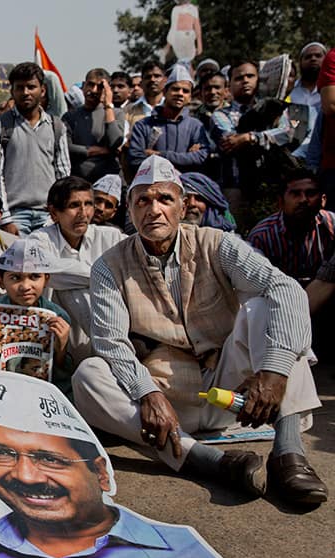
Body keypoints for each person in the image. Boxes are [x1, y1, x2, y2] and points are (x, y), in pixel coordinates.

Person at [73, 155, 327, 506]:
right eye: (142, 200)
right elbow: (111, 341)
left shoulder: (216, 243)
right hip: (167, 404)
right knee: (89, 374)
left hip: (235, 391)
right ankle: (204, 459)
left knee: (270, 309)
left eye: (164, 199)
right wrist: (147, 393)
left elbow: (285, 289)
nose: (154, 210)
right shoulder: (109, 266)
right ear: (129, 210)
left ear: (182, 205)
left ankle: (288, 455)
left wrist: (273, 374)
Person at [0, 373, 239, 558]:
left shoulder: (177, 550)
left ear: (101, 473)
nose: (25, 476)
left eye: (50, 459)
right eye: (0, 453)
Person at [26, 176, 125, 364]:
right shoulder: (38, 240)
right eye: (74, 205)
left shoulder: (110, 237)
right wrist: (103, 275)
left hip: (106, 324)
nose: (83, 213)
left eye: (88, 204)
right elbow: (46, 271)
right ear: (54, 213)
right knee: (72, 289)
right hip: (55, 334)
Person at [0, 62, 71, 235]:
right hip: (15, 216)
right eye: (20, 87)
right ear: (12, 91)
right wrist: (6, 219)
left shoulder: (57, 127)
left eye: (31, 87)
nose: (26, 93)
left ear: (43, 90)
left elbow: (63, 174)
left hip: (49, 216)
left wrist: (59, 213)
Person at [209, 60, 295, 229]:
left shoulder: (274, 108)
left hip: (273, 184)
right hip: (236, 184)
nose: (245, 81)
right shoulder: (220, 115)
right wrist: (268, 137)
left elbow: (287, 133)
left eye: (250, 76)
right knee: (239, 235)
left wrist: (249, 138)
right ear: (229, 85)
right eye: (239, 78)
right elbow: (230, 140)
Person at [0, 239, 72, 391]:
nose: (25, 287)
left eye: (34, 277)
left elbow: (62, 377)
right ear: (1, 282)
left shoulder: (58, 317)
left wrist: (61, 349)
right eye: (15, 278)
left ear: (46, 279)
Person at [247, 169, 334, 284]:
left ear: (323, 200)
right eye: (295, 194)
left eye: (311, 193)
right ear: (280, 202)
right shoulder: (262, 237)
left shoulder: (331, 224)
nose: (303, 200)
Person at [126, 64, 210, 177]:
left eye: (185, 91)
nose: (180, 94)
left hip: (186, 186)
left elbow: (201, 157)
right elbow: (136, 160)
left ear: (190, 97)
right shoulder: (143, 125)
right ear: (165, 92)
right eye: (175, 89)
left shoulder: (196, 126)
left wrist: (160, 155)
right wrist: (183, 159)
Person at [63, 68, 126, 182]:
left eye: (100, 87)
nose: (93, 90)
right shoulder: (70, 117)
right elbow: (66, 147)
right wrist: (92, 150)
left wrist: (108, 106)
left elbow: (115, 141)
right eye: (90, 85)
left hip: (108, 183)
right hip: (79, 181)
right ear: (83, 86)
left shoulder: (116, 113)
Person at [124, 61, 166, 130]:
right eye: (148, 77)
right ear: (142, 82)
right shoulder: (129, 111)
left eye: (157, 76)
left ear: (165, 80)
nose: (152, 79)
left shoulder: (172, 107)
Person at [290, 43, 327, 109]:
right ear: (301, 63)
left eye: (318, 56)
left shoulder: (331, 90)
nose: (313, 59)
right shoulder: (289, 90)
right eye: (308, 57)